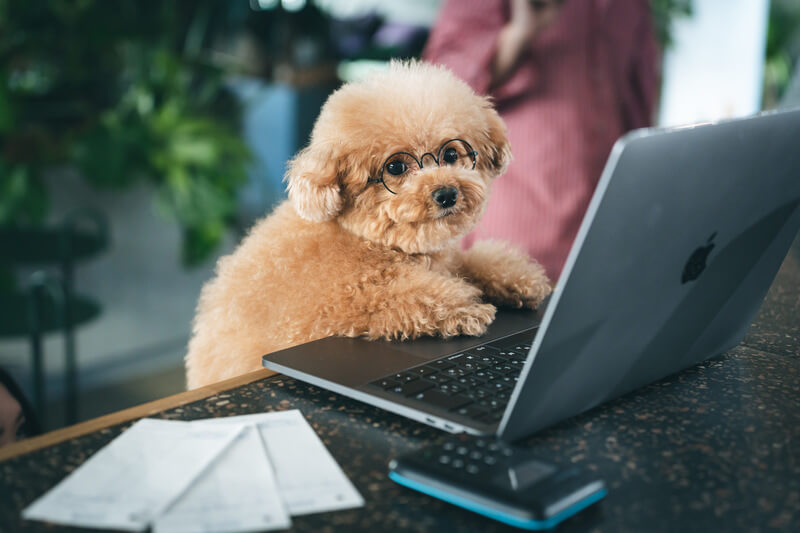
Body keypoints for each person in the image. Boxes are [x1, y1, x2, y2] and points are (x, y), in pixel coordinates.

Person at [424, 0, 660, 279]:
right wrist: (519, 35)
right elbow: (439, 89)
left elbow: (640, 97)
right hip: (518, 225)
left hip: (611, 223)